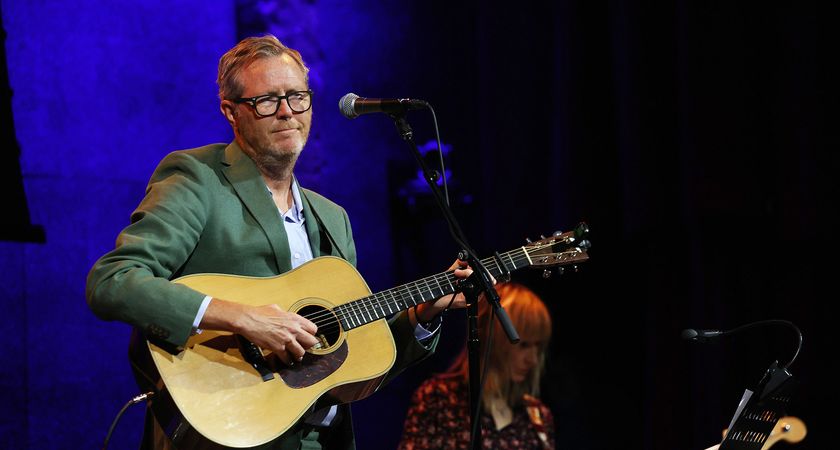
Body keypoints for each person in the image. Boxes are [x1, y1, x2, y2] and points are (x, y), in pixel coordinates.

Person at [86, 34, 470, 449]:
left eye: (297, 97)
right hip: (222, 433)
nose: (287, 111)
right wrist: (243, 318)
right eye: (267, 100)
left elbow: (353, 358)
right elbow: (114, 281)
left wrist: (424, 314)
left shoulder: (333, 218)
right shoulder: (198, 179)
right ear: (231, 111)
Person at [398, 282, 555, 450]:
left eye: (538, 347)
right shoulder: (437, 398)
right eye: (524, 345)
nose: (533, 359)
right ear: (492, 337)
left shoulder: (538, 416)